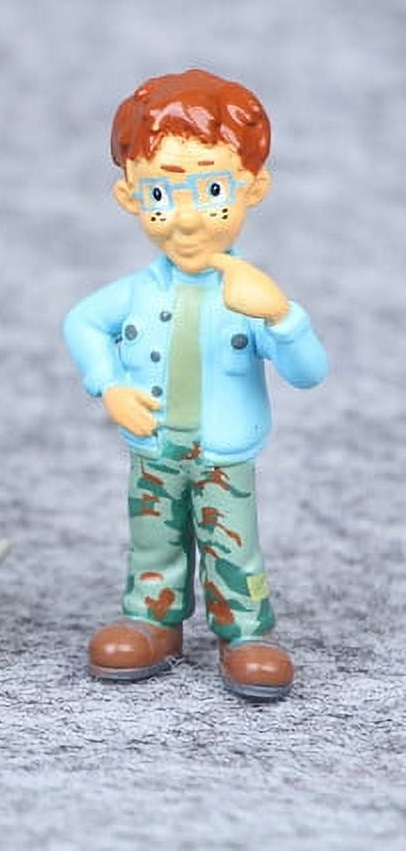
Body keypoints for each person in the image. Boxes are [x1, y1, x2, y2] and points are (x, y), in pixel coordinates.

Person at [63, 68, 326, 701]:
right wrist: (108, 386)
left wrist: (281, 316)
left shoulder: (248, 296)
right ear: (129, 195)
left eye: (211, 190)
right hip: (155, 448)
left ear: (253, 187)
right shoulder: (136, 292)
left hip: (223, 456)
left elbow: (308, 373)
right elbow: (82, 323)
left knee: (233, 544)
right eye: (160, 194)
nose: (185, 220)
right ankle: (153, 620)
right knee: (153, 538)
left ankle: (246, 632)